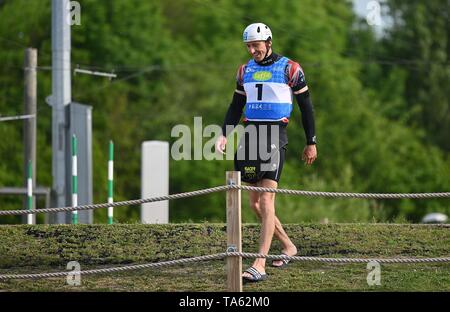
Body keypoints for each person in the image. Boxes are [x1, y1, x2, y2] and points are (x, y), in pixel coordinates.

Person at [215, 22, 318, 282]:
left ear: (268, 42)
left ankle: (259, 263)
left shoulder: (290, 69)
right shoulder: (244, 71)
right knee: (254, 204)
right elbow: (236, 105)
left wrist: (311, 141)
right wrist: (224, 133)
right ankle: (288, 245)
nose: (252, 50)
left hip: (275, 134)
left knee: (267, 200)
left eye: (256, 45)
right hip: (250, 135)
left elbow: (306, 107)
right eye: (248, 46)